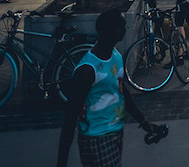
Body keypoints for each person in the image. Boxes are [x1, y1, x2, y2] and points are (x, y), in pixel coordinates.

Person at [57, 9, 166, 167]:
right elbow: (70, 116)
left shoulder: (115, 55)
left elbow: (122, 92)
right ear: (110, 31)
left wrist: (143, 122)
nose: (124, 29)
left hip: (115, 133)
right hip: (96, 140)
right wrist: (61, 163)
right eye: (121, 25)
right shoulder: (87, 70)